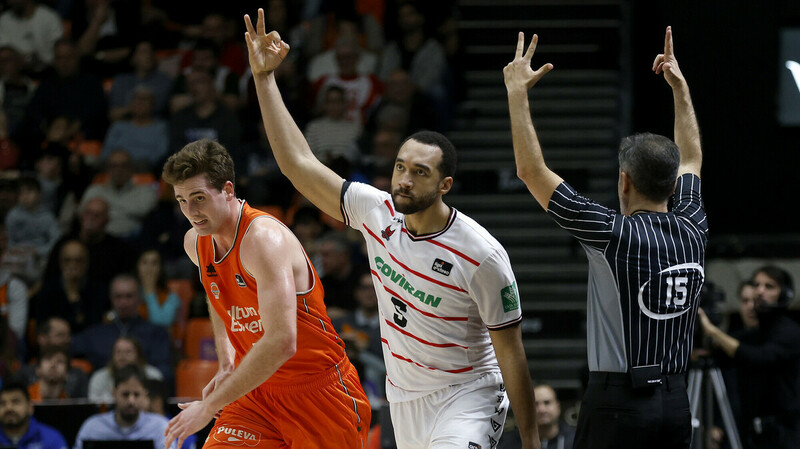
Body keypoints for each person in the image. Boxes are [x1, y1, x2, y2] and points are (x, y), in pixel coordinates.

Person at [244, 10, 539, 449]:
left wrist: (532, 441)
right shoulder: (374, 210)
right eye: (400, 167)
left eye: (419, 172)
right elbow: (298, 164)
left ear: (445, 185)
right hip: (403, 400)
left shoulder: (482, 255)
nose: (403, 179)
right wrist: (265, 81)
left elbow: (512, 353)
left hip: (468, 395)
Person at [504, 27, 704, 449]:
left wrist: (516, 92)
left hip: (618, 404)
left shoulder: (613, 233)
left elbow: (531, 172)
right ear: (673, 186)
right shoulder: (694, 225)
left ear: (624, 181)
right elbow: (691, 156)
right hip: (676, 403)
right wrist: (680, 88)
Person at [161, 138, 371, 448]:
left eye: (198, 198)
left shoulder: (263, 239)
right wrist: (227, 361)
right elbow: (218, 294)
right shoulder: (196, 241)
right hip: (255, 391)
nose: (190, 211)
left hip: (319, 394)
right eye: (181, 200)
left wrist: (207, 406)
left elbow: (281, 342)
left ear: (228, 190)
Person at [698, 265, 800, 448]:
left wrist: (713, 331)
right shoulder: (756, 333)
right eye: (756, 284)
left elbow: (758, 357)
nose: (759, 291)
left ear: (785, 294)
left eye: (769, 286)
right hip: (755, 432)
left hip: (785, 435)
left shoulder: (789, 331)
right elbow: (726, 352)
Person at [70, 273, 172, 384]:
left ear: (139, 297)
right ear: (111, 298)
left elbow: (164, 372)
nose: (123, 302)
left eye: (129, 296)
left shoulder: (156, 334)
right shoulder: (95, 334)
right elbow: (70, 346)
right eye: (118, 297)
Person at [73, 365, 172, 449]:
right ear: (114, 393)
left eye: (136, 395)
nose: (131, 401)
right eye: (125, 394)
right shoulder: (92, 428)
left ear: (145, 394)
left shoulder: (160, 427)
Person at [80, 149, 158, 241]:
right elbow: (82, 214)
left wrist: (106, 209)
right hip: (99, 239)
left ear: (131, 168)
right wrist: (128, 211)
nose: (118, 170)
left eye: (123, 166)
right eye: (114, 166)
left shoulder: (146, 191)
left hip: (133, 240)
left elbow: (145, 212)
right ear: (107, 169)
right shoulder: (95, 190)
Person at [87, 336, 164, 403]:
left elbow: (158, 404)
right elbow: (93, 404)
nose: (122, 356)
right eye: (118, 352)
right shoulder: (99, 377)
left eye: (128, 352)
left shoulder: (153, 375)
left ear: (138, 355)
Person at [0, 381, 69, 449]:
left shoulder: (51, 438)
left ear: (30, 407)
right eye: (2, 403)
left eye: (15, 402)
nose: (8, 408)